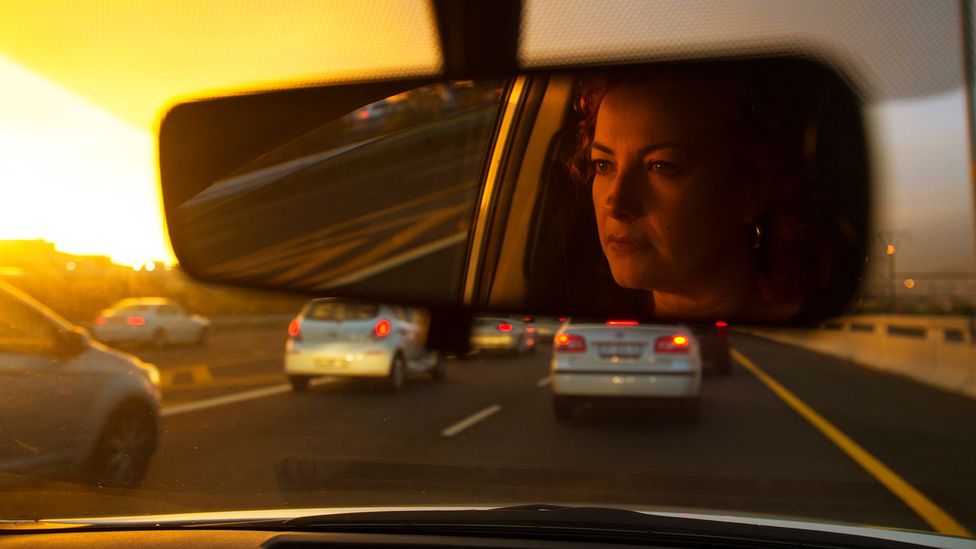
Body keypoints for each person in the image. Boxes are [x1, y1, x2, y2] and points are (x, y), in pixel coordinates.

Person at [568, 63, 840, 323]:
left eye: (661, 166)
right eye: (603, 165)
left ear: (751, 192)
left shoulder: (827, 333)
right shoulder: (595, 319)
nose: (616, 203)